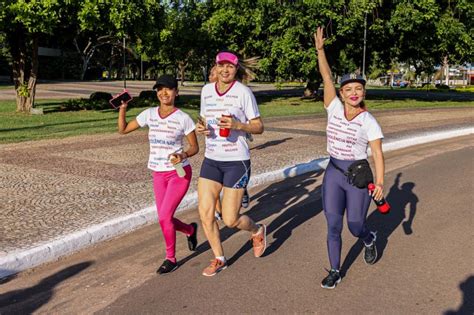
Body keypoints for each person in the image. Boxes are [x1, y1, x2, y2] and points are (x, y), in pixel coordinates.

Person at [314, 27, 386, 289]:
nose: (354, 92)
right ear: (341, 94)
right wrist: (320, 50)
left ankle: (368, 238)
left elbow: (377, 153)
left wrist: (379, 183)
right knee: (333, 224)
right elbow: (326, 76)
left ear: (363, 93)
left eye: (359, 88)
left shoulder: (369, 121)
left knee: (355, 225)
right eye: (349, 89)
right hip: (333, 173)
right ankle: (335, 269)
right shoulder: (332, 108)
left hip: (357, 177)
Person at [117, 74, 199, 275]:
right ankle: (189, 230)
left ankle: (171, 258)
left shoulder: (183, 118)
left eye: (169, 89)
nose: (164, 93)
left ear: (176, 92)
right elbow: (124, 130)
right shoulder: (149, 114)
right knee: (165, 217)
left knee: (164, 217)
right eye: (160, 89)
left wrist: (183, 154)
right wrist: (122, 108)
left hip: (178, 173)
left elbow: (195, 147)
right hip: (158, 173)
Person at [196, 51, 266, 276]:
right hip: (212, 159)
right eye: (221, 66)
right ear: (215, 67)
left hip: (236, 161)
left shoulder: (243, 93)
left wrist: (238, 125)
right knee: (205, 214)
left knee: (230, 219)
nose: (225, 70)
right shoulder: (206, 91)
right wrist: (201, 128)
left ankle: (256, 230)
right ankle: (219, 257)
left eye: (230, 66)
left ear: (236, 69)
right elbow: (204, 118)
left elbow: (258, 126)